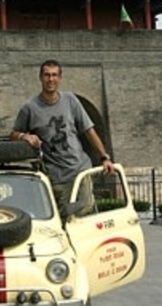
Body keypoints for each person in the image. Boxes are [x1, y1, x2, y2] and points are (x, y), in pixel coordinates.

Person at [10, 60, 114, 214]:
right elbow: (13, 134)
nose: (50, 79)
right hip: (56, 177)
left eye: (54, 75)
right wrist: (24, 136)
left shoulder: (70, 100)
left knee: (85, 210)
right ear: (40, 78)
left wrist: (104, 157)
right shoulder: (30, 107)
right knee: (64, 218)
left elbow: (89, 130)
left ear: (60, 78)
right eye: (47, 75)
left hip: (80, 170)